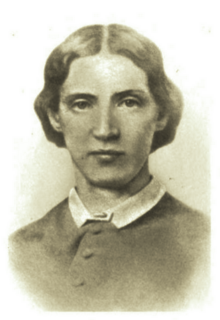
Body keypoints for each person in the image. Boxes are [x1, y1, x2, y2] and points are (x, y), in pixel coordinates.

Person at [9, 24, 210, 311]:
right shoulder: (16, 253)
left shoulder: (206, 246)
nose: (105, 130)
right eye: (81, 103)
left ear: (161, 114)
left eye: (129, 102)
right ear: (55, 116)